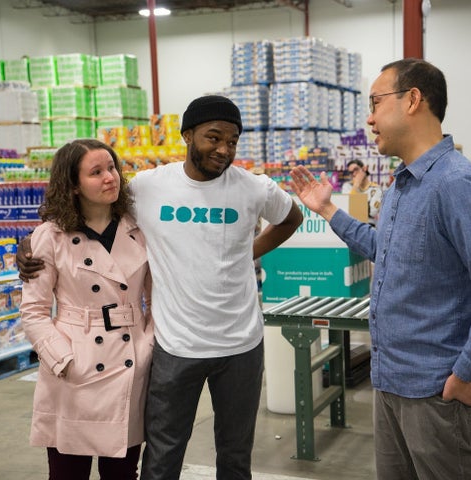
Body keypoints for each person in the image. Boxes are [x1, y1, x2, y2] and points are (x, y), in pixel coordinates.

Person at [18, 95, 304, 480]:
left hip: (241, 345)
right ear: (188, 135)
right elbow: (87, 215)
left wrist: (248, 252)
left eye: (233, 141)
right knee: (162, 456)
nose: (224, 149)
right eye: (213, 137)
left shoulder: (255, 188)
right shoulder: (147, 188)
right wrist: (31, 243)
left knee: (236, 457)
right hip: (175, 346)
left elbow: (291, 218)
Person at [289, 59, 471, 480]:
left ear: (413, 100)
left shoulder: (454, 182)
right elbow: (388, 251)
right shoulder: (406, 182)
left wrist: (464, 371)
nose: (369, 117)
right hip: (392, 381)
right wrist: (328, 209)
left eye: (376, 102)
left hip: (437, 392)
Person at [20, 139, 154, 480]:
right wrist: (62, 358)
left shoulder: (140, 229)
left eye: (111, 168)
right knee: (67, 473)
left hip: (130, 360)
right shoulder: (50, 236)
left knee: (122, 474)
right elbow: (34, 311)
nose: (110, 178)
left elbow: (158, 299)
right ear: (73, 185)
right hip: (73, 367)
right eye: (96, 172)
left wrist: (148, 345)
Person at [341, 159, 383, 226]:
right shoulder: (347, 186)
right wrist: (356, 186)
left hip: (368, 225)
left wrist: (355, 205)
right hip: (351, 224)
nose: (354, 174)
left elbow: (372, 212)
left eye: (356, 169)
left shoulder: (376, 189)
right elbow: (346, 208)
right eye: (351, 172)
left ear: (364, 168)